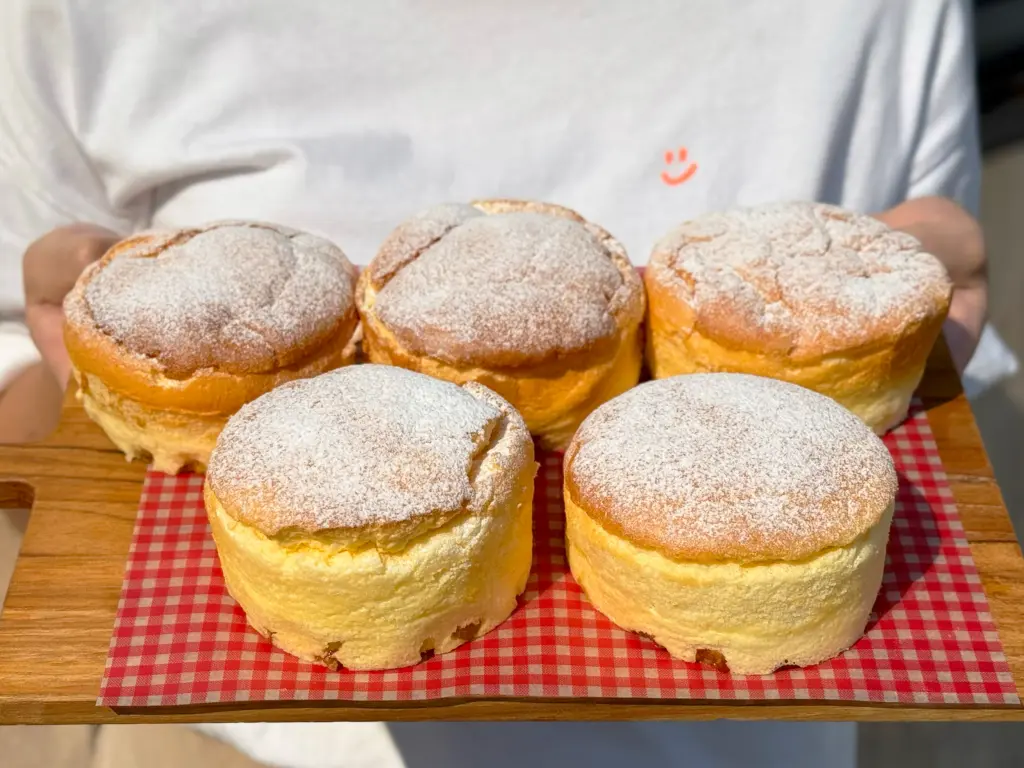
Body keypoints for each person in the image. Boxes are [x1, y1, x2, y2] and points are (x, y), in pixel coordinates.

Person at [0, 0, 1002, 765]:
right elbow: (18, 368)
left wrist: (927, 318)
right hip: (239, 738)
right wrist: (73, 380)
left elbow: (932, 266)